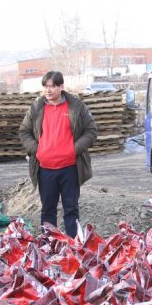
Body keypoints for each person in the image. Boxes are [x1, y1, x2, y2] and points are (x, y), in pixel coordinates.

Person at [19, 71, 98, 238]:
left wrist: (73, 150)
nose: (48, 90)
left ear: (61, 87)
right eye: (46, 86)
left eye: (52, 86)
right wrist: (37, 150)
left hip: (70, 168)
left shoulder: (76, 107)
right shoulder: (37, 108)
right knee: (48, 211)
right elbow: (24, 131)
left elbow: (91, 131)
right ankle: (48, 245)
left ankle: (73, 245)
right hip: (45, 169)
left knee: (71, 210)